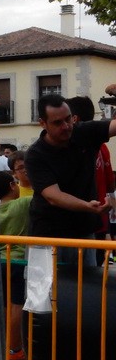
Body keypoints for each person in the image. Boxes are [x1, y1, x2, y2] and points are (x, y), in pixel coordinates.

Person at [25, 93, 116, 266]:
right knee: (46, 284)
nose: (66, 126)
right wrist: (87, 206)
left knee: (86, 283)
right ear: (42, 123)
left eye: (68, 119)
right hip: (47, 236)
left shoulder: (84, 132)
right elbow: (54, 196)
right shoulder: (35, 155)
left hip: (83, 233)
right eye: (57, 123)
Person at [0, 171, 32, 360]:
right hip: (17, 261)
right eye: (16, 182)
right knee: (17, 304)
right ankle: (16, 349)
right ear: (12, 186)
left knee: (3, 305)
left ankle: (5, 345)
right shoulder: (23, 204)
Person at [67, 96, 116, 266]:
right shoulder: (103, 148)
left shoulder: (65, 147)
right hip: (98, 218)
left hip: (81, 221)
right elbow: (110, 184)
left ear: (74, 119)